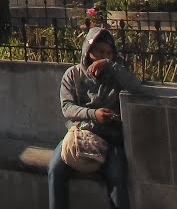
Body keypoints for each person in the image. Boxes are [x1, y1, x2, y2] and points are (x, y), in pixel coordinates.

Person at [48, 26, 143, 209]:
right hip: (81, 134)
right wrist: (93, 114)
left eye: (109, 53)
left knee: (116, 176)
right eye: (100, 52)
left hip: (111, 138)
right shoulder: (73, 74)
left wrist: (111, 66)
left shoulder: (116, 74)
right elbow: (67, 107)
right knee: (55, 169)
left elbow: (136, 87)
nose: (104, 56)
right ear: (89, 51)